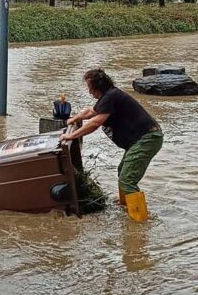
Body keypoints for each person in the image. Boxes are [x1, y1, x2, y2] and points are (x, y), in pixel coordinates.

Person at [62, 68, 163, 221]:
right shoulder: (108, 97)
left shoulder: (110, 96)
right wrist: (74, 119)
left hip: (147, 138)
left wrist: (71, 135)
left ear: (98, 87)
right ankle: (125, 203)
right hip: (141, 138)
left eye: (90, 88)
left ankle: (140, 222)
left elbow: (95, 122)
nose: (90, 92)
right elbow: (91, 112)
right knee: (123, 170)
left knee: (127, 180)